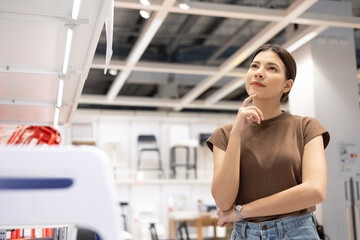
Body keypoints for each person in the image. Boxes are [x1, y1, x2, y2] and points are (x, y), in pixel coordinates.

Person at [206, 44, 330, 240]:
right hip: (245, 235)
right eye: (254, 66)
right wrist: (237, 134)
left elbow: (314, 191)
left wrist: (241, 211)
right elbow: (223, 201)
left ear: (287, 85)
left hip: (296, 232)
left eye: (271, 68)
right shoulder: (225, 134)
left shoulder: (306, 127)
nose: (259, 73)